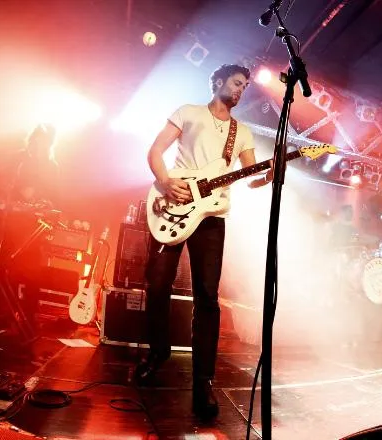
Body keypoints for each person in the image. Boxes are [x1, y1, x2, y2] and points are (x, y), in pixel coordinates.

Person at [133, 64, 272, 419]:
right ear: (218, 81)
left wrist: (267, 176)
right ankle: (158, 351)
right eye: (236, 82)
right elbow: (155, 151)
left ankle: (203, 382)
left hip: (211, 218)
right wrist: (164, 182)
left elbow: (250, 175)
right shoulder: (187, 113)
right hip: (173, 204)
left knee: (208, 299)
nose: (240, 89)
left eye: (245, 86)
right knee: (158, 283)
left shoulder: (242, 132)